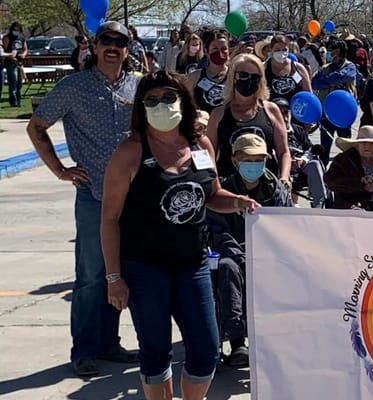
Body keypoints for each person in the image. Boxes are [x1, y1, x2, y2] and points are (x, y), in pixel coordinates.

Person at [100, 70, 259, 399]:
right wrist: (114, 277)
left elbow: (212, 195)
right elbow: (110, 219)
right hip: (145, 267)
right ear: (142, 107)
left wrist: (240, 202)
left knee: (207, 350)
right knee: (156, 352)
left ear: (183, 102)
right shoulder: (129, 152)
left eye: (169, 97)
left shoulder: (201, 145)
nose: (161, 105)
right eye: (152, 100)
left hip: (194, 263)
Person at [26, 21, 140, 377]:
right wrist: (60, 170)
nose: (112, 47)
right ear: (94, 44)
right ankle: (85, 350)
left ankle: (110, 342)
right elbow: (36, 127)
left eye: (120, 42)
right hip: (94, 196)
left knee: (120, 273)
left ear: (127, 48)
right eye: (106, 40)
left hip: (134, 198)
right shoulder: (72, 87)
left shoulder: (138, 86)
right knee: (91, 276)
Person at [207, 134, 291, 367]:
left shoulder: (277, 191)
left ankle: (277, 338)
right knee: (227, 268)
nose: (254, 164)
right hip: (234, 252)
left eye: (259, 159)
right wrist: (244, 256)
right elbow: (219, 233)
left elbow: (288, 227)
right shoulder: (223, 193)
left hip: (271, 252)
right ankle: (237, 341)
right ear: (235, 160)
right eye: (248, 159)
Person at [206, 54, 292, 184]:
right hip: (229, 186)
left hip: (266, 185)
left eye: (255, 77)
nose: (249, 80)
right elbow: (208, 154)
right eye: (244, 75)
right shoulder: (218, 114)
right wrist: (214, 183)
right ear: (234, 77)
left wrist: (284, 177)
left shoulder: (271, 110)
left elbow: (284, 152)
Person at [273, 97, 328, 208]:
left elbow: (310, 149)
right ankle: (285, 203)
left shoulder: (298, 130)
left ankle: (320, 204)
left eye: (285, 112)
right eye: (279, 113)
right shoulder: (270, 131)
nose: (283, 117)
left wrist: (302, 160)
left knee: (315, 164)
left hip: (301, 166)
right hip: (280, 167)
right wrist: (287, 162)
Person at [313, 38, 358, 164]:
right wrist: (330, 81)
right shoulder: (325, 67)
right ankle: (322, 172)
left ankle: (349, 173)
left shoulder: (350, 66)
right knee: (324, 147)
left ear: (337, 51)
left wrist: (326, 81)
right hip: (325, 113)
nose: (328, 52)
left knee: (347, 146)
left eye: (330, 49)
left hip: (343, 113)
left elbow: (339, 77)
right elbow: (315, 83)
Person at [185, 29, 228, 113]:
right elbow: (186, 104)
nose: (220, 53)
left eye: (224, 49)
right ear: (206, 51)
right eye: (215, 49)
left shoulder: (235, 75)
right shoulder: (194, 77)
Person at [263, 35, 312, 102]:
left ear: (288, 49)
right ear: (271, 49)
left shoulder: (299, 68)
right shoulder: (263, 69)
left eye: (284, 50)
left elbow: (309, 94)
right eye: (277, 50)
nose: (281, 52)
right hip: (271, 110)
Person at [3, 22, 27, 107]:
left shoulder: (21, 37)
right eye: (14, 29)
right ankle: (13, 102)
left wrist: (23, 55)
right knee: (13, 82)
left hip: (19, 63)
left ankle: (18, 100)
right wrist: (12, 57)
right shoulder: (7, 37)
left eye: (18, 29)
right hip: (11, 63)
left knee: (19, 83)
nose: (16, 31)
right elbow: (4, 51)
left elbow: (25, 49)